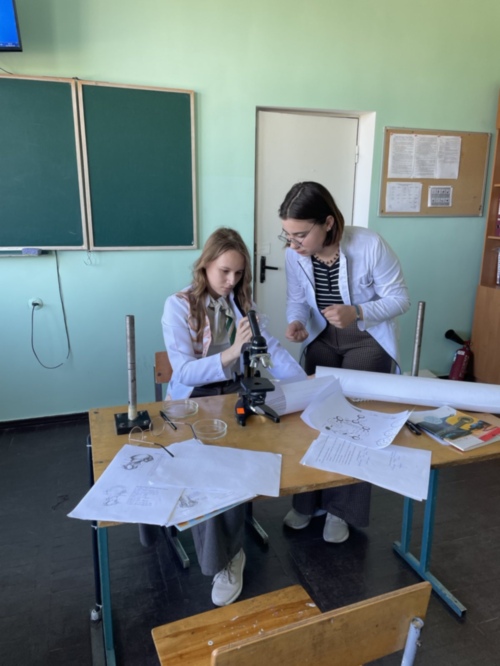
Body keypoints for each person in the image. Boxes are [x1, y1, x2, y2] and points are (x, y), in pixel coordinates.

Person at [161, 227, 306, 606]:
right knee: (210, 467)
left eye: (239, 273)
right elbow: (184, 372)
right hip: (195, 397)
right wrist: (231, 352)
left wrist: (307, 385)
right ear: (205, 265)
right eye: (224, 271)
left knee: (252, 452)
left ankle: (233, 540)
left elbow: (270, 350)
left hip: (233, 393)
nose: (231, 281)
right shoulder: (178, 306)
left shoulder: (242, 304)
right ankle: (226, 559)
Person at [278, 181, 410, 543]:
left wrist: (358, 312)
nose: (294, 244)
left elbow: (400, 299)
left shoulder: (370, 245)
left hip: (367, 340)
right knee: (312, 419)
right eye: (287, 235)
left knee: (356, 424)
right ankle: (308, 503)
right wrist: (296, 321)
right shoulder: (294, 255)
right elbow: (296, 299)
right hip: (322, 338)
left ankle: (341, 510)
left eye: (301, 235)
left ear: (329, 223)